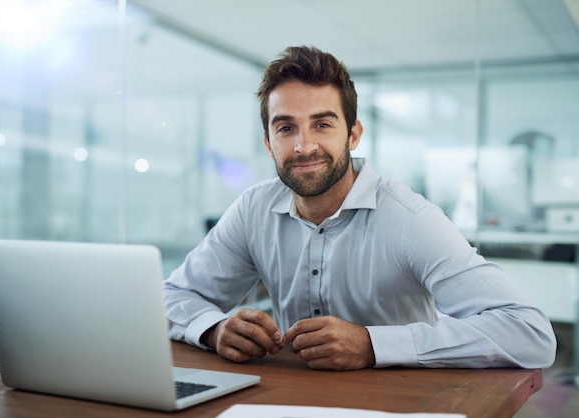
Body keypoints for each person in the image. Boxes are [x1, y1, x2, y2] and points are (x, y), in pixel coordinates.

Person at [164, 45, 557, 370]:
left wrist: (374, 344)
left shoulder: (409, 219)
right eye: (286, 128)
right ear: (268, 143)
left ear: (353, 134)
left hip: (402, 404)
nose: (303, 147)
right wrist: (212, 328)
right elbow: (172, 296)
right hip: (290, 400)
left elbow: (530, 334)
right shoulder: (253, 209)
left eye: (322, 124)